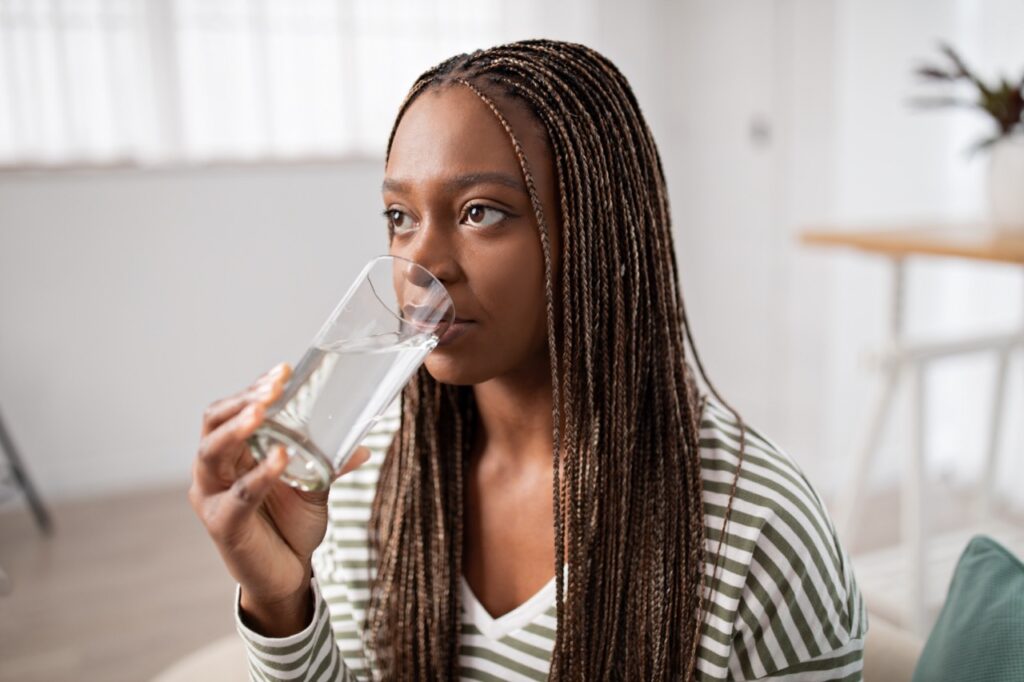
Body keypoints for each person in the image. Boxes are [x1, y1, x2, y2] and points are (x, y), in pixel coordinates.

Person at [189, 39, 867, 681]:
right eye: (400, 216)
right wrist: (281, 602)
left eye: (481, 212)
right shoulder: (368, 491)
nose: (420, 265)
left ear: (596, 232)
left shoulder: (758, 535)